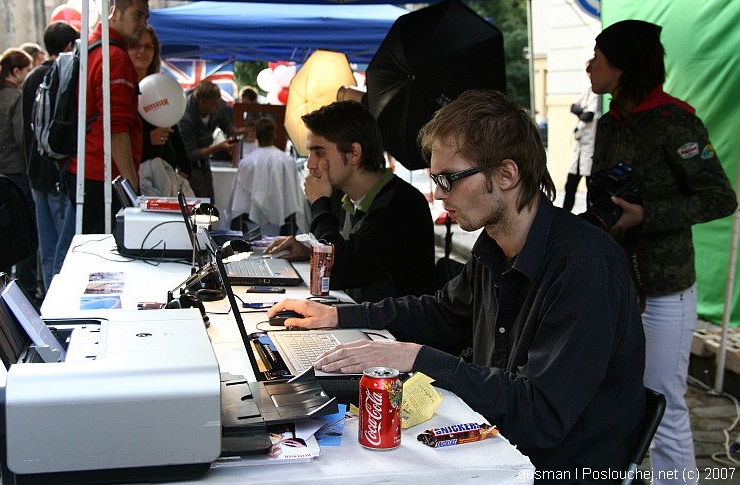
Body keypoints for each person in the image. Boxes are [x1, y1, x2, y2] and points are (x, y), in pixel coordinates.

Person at [268, 90, 646, 482]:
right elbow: (442, 311)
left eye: (449, 179)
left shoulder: (585, 267)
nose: (439, 193)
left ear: (506, 174)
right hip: (499, 444)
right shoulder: (496, 246)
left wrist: (417, 357)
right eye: (435, 179)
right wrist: (336, 315)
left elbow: (541, 414)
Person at [587, 19, 737, 484]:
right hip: (614, 282)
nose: (590, 65)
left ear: (624, 65)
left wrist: (645, 214)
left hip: (664, 288)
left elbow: (720, 198)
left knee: (663, 399)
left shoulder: (675, 121)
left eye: (600, 56)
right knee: (613, 394)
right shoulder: (610, 120)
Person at [264, 101, 434, 303]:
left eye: (319, 152)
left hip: (392, 332)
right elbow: (352, 255)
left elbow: (336, 271)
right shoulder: (343, 196)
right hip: (361, 320)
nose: (310, 164)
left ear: (354, 153)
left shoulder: (401, 206)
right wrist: (310, 251)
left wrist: (320, 203)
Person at [66, 0, 149, 234]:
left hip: (84, 170)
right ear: (114, 12)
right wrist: (132, 189)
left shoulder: (91, 45)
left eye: (146, 18)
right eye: (137, 15)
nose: (143, 24)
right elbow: (116, 130)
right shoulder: (115, 57)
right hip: (104, 177)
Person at [22, 21, 79, 296]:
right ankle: (58, 302)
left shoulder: (31, 77)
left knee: (47, 246)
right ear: (70, 47)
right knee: (62, 248)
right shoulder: (64, 75)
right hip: (57, 170)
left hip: (35, 169)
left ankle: (47, 301)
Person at [0, 48, 39, 298]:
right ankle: (25, 289)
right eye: (27, 71)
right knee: (21, 234)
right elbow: (21, 138)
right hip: (15, 175)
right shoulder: (16, 97)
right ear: (16, 72)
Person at [128, 25, 192, 195]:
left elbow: (173, 125)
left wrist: (185, 167)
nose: (142, 51)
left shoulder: (161, 85)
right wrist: (147, 139)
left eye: (148, 46)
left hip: (165, 177)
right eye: (136, 45)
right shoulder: (123, 87)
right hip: (137, 179)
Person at [228, 116, 303, 235]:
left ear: (256, 135)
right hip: (283, 214)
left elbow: (239, 201)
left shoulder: (247, 162)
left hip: (249, 215)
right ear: (274, 135)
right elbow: (293, 196)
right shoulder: (287, 161)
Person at [177, 79, 237, 202]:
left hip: (204, 162)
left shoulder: (215, 107)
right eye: (215, 104)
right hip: (189, 166)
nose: (219, 106)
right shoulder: (185, 118)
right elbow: (192, 154)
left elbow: (225, 123)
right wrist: (218, 147)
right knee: (198, 203)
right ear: (202, 102)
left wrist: (235, 131)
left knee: (209, 200)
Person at [562, 76, 600, 211]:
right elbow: (573, 107)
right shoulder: (587, 92)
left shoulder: (597, 95)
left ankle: (591, 216)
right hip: (579, 150)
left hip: (590, 149)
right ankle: (565, 215)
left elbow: (587, 116)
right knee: (570, 185)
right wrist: (582, 112)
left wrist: (581, 111)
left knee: (591, 187)